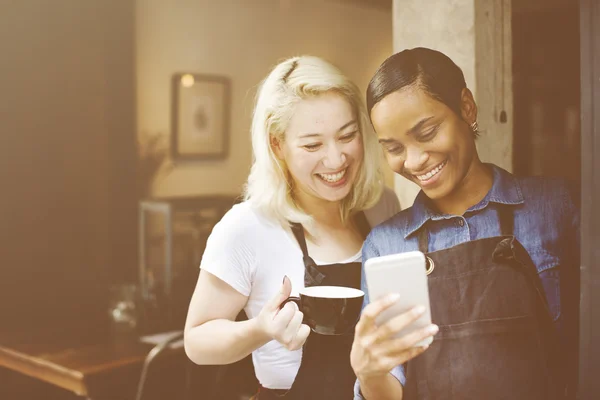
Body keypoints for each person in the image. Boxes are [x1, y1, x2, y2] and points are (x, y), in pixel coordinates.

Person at [350, 47, 580, 400]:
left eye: (426, 132)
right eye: (393, 147)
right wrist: (369, 371)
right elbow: (390, 392)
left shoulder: (557, 207)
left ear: (466, 107)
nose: (414, 160)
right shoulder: (386, 246)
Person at [184, 55, 400, 399]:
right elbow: (197, 342)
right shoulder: (247, 227)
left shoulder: (381, 205)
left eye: (347, 136)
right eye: (313, 144)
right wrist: (261, 329)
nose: (335, 160)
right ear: (276, 144)